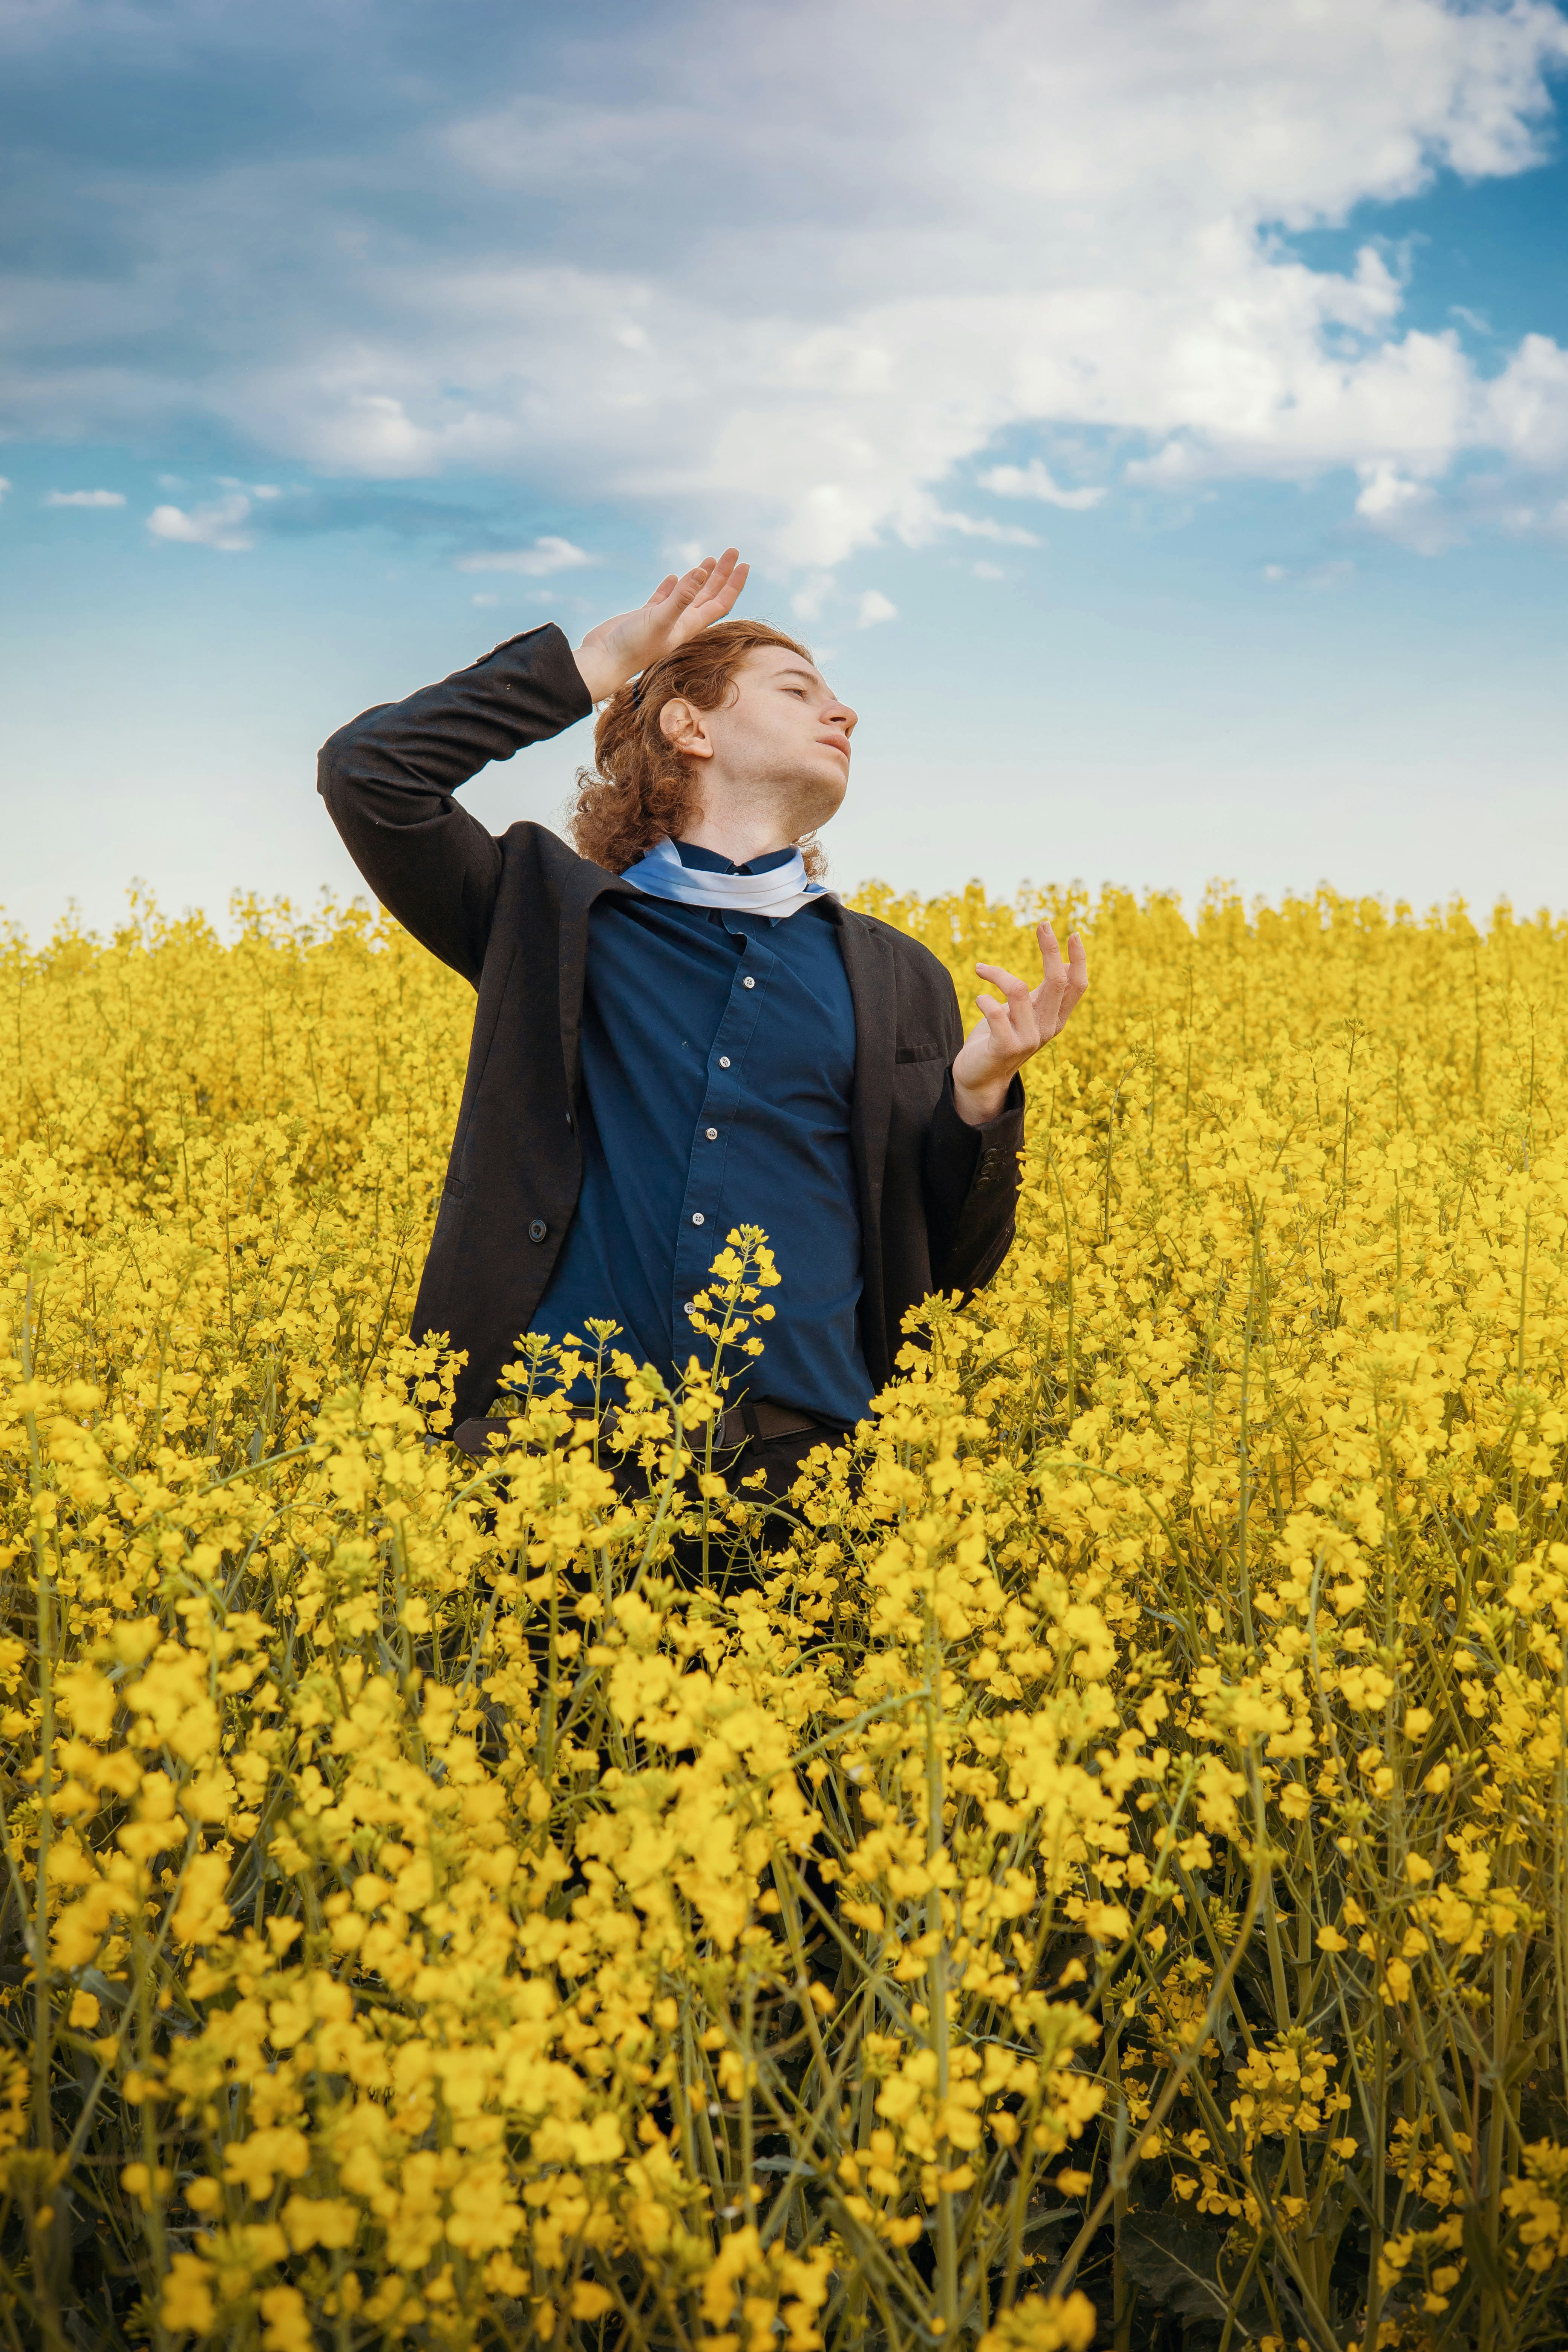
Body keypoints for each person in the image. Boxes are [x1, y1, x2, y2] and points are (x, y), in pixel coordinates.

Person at [318, 549, 1087, 1495]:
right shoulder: (549, 923)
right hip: (549, 1473)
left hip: (805, 1488)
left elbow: (950, 1276)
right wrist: (598, 661)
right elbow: (368, 773)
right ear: (690, 726)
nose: (843, 713)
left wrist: (978, 1100)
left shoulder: (899, 977)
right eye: (800, 691)